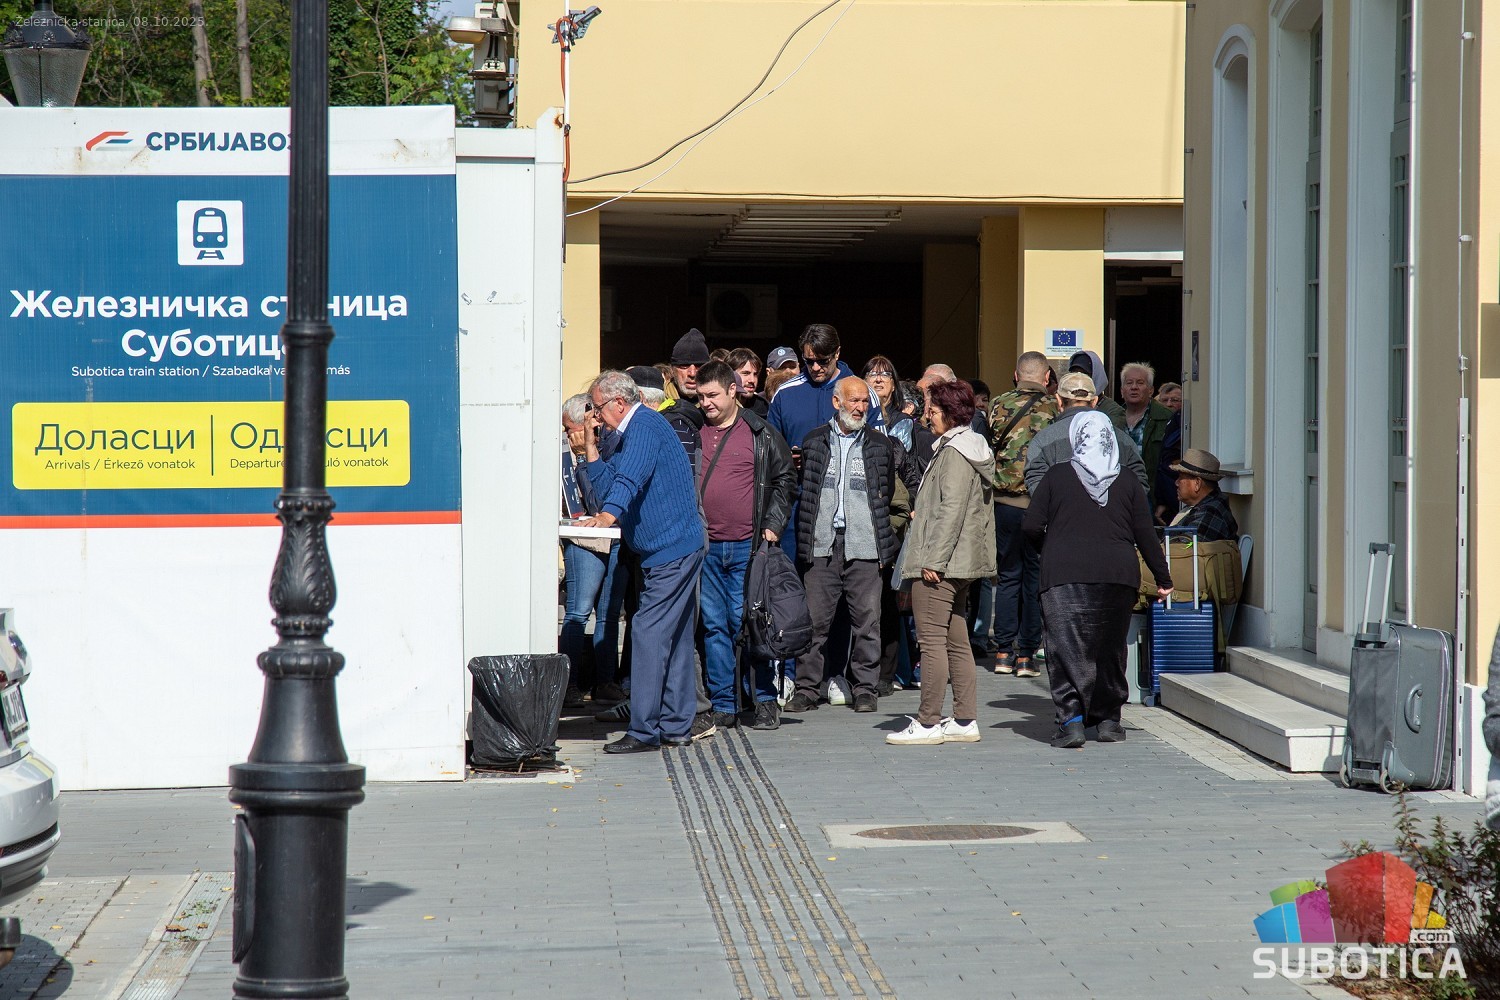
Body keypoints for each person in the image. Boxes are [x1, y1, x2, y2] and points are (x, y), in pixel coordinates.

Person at [1023, 410, 1172, 749]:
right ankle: (1108, 721)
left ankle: (1072, 723)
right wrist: (1163, 578)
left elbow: (1030, 525)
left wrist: (1048, 549)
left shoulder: (1057, 475)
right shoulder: (1128, 481)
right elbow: (1145, 534)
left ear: (1077, 439)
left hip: (1063, 575)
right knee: (1109, 648)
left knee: (1065, 649)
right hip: (1117, 575)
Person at [579, 371, 707, 754]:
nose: (595, 415)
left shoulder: (645, 426)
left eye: (597, 408)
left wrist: (608, 516)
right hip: (665, 550)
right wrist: (591, 445)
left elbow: (628, 481)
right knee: (676, 637)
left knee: (647, 631)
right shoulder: (623, 434)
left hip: (674, 548)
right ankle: (677, 725)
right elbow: (607, 488)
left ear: (619, 403)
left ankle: (644, 730)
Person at [888, 380, 997, 746]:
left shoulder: (954, 452)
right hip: (959, 562)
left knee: (931, 641)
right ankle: (964, 720)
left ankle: (928, 722)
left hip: (941, 563)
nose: (926, 417)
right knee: (955, 640)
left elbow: (950, 509)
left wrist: (933, 559)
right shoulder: (969, 446)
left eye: (932, 411)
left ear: (950, 414)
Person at [784, 376, 900, 715]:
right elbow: (805, 491)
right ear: (837, 402)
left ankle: (865, 689)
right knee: (814, 624)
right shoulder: (814, 441)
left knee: (868, 624)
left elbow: (887, 493)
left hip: (865, 546)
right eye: (854, 401)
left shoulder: (880, 444)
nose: (860, 408)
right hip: (822, 544)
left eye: (864, 401)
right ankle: (807, 689)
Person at [694, 361, 795, 732]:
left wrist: (772, 525)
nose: (705, 403)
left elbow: (785, 478)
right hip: (706, 548)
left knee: (753, 624)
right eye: (701, 396)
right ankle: (724, 705)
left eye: (712, 395)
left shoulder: (760, 432)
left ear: (732, 391)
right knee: (715, 627)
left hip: (747, 548)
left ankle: (765, 701)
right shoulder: (693, 431)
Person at [987, 351, 1059, 679]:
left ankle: (1003, 652)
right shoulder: (1055, 408)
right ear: (1046, 378)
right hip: (1040, 506)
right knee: (1034, 579)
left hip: (1004, 504)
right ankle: (1027, 656)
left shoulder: (998, 404)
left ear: (1016, 375)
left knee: (1007, 576)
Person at [560, 394, 628, 705]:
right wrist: (579, 457)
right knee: (578, 611)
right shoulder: (565, 453)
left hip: (613, 535)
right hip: (582, 538)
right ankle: (569, 684)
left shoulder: (611, 446)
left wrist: (586, 455)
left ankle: (606, 682)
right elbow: (583, 501)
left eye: (569, 428)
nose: (566, 434)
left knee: (609, 614)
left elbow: (600, 499)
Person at [1025, 372, 1148, 497]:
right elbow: (1139, 485)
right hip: (1116, 509)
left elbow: (1036, 484)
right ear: (1094, 401)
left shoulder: (1043, 439)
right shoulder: (1124, 440)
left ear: (1059, 400)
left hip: (1060, 509)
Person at [767, 323, 885, 449]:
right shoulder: (784, 393)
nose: (815, 368)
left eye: (823, 361)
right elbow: (770, 449)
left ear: (837, 353)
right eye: (809, 361)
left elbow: (881, 449)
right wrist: (787, 457)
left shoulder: (864, 392)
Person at [1119, 361, 1173, 510]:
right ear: (1122, 391)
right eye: (1129, 383)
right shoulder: (1111, 420)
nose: (1134, 387)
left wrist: (1163, 500)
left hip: (1150, 497)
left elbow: (1170, 465)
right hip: (1118, 496)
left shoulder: (1166, 418)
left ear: (1150, 390)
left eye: (1140, 383)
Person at [1168, 448, 1240, 541]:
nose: (1176, 483)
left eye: (1181, 478)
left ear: (1197, 483)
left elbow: (1183, 547)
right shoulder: (1201, 506)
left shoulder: (1210, 512)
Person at [1066, 350, 1126, 428]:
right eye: (1074, 373)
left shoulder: (1113, 412)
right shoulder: (1067, 405)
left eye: (1085, 374)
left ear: (1096, 376)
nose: (1079, 378)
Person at [863, 356, 910, 448]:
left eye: (885, 375)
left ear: (893, 386)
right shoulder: (857, 415)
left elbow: (898, 454)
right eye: (873, 374)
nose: (878, 380)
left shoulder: (902, 421)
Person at [727, 347, 769, 417]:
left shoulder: (763, 409)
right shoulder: (717, 407)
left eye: (755, 374)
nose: (752, 380)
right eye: (746, 373)